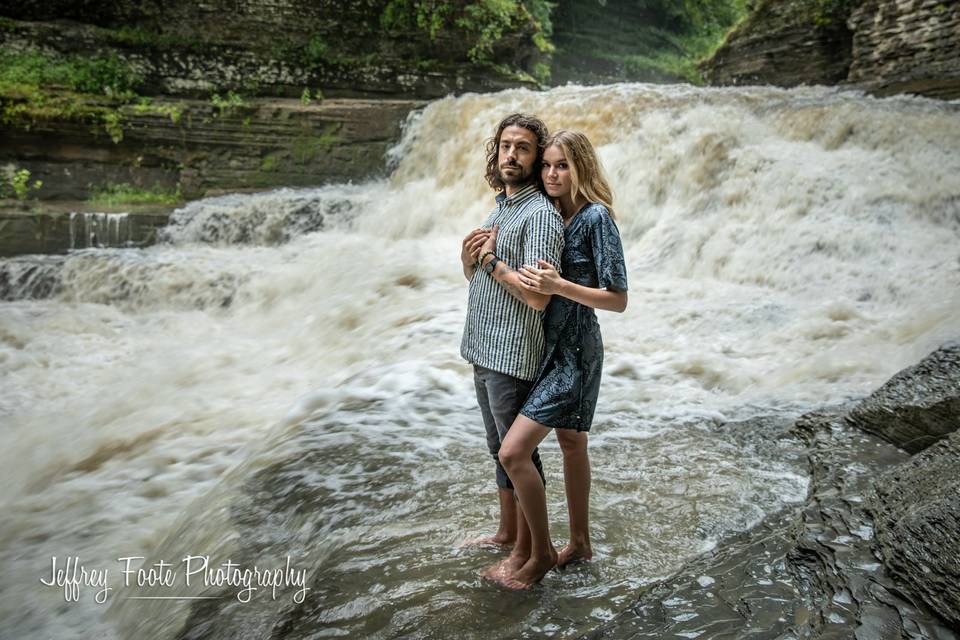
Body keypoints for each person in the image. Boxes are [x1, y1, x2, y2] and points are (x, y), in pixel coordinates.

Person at [492, 130, 628, 589]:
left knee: (514, 451)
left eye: (562, 165)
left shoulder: (595, 218)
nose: (551, 174)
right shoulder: (550, 215)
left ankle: (542, 556)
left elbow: (617, 299)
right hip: (543, 349)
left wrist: (559, 286)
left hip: (576, 353)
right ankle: (582, 543)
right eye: (547, 164)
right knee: (571, 444)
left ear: (581, 168)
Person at [459, 114, 565, 579]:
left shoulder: (539, 214)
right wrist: (469, 262)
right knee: (496, 447)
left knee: (517, 453)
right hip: (484, 347)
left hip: (512, 352)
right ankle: (507, 534)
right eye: (505, 145)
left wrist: (490, 261)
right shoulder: (500, 207)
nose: (511, 155)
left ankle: (531, 551)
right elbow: (482, 274)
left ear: (536, 157)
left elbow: (539, 297)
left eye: (522, 148)